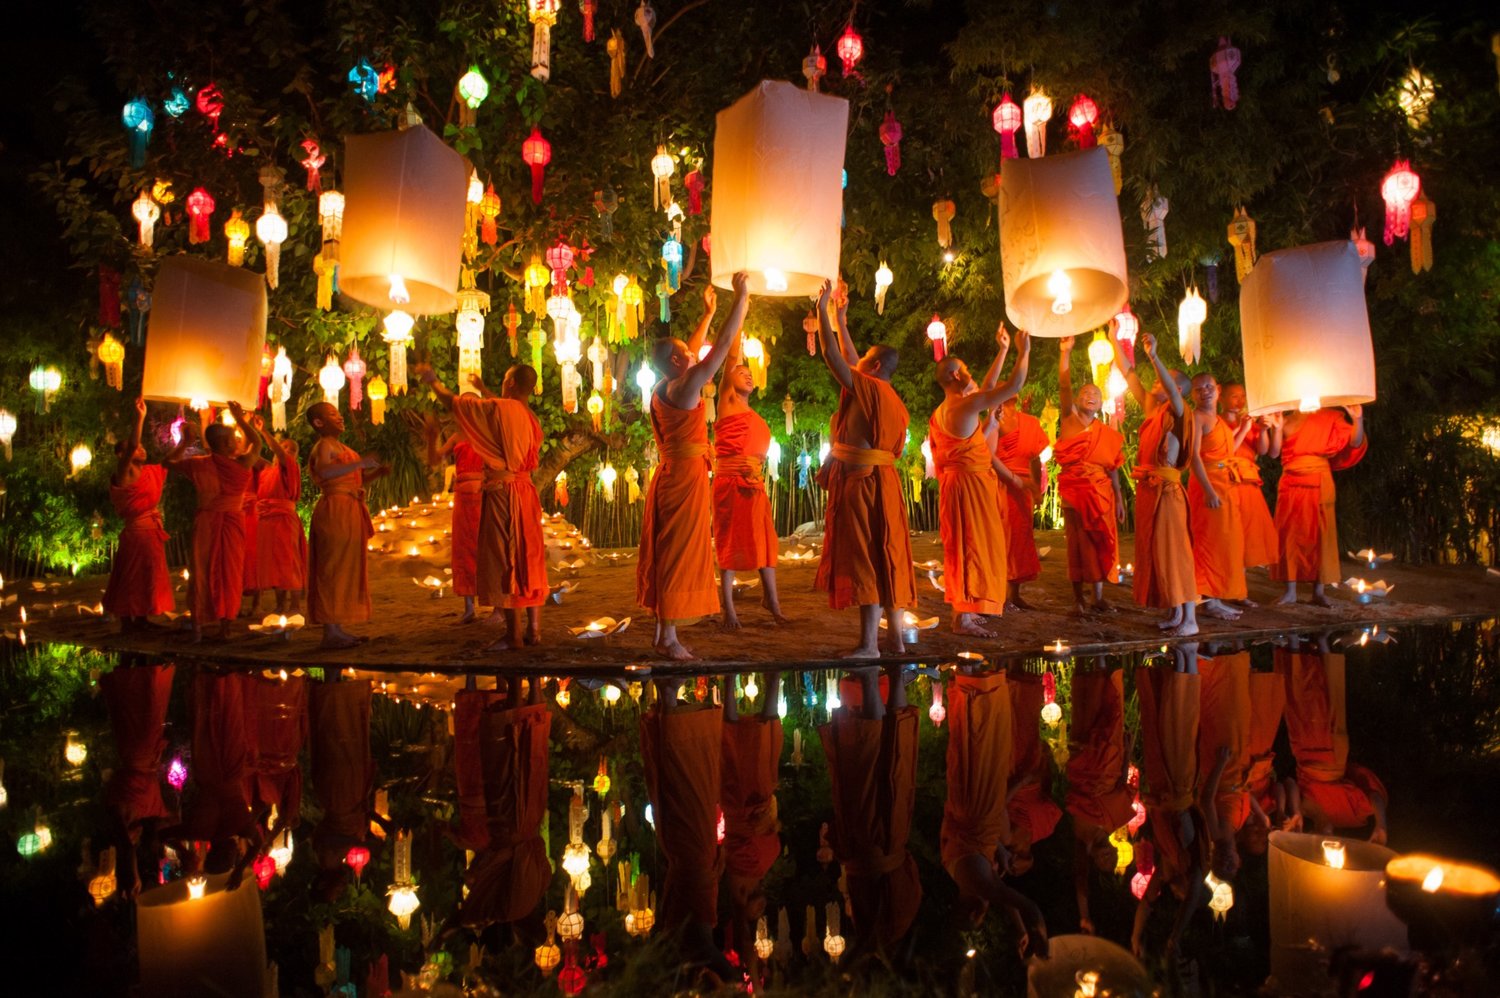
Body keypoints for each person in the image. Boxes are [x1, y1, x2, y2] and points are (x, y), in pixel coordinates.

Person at [637, 273, 752, 660]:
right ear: (675, 361)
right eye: (686, 352)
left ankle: (661, 631)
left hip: (675, 475)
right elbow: (718, 350)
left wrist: (707, 312)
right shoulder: (683, 388)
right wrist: (741, 297)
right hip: (682, 478)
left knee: (672, 547)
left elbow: (699, 346)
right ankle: (669, 637)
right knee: (677, 552)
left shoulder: (664, 386)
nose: (693, 353)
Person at [813, 279, 917, 657]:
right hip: (884, 484)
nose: (856, 363)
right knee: (886, 550)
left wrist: (822, 308)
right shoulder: (889, 396)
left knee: (866, 556)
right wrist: (842, 319)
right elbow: (851, 359)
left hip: (862, 484)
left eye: (863, 360)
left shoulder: (867, 388)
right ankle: (896, 639)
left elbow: (832, 356)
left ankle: (869, 644)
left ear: (872, 366)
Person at [420, 365, 549, 651]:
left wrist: (433, 381)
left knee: (507, 558)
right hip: (526, 493)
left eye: (503, 379)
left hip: (503, 492)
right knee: (529, 556)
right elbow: (501, 412)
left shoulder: (499, 410)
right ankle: (534, 630)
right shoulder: (530, 418)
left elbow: (454, 403)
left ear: (511, 382)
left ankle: (513, 634)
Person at [941, 663, 1048, 958]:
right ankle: (977, 679)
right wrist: (1023, 932)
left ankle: (974, 679)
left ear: (975, 911)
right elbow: (1005, 898)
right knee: (980, 746)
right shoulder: (965, 875)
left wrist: (1041, 938)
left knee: (978, 745)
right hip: (976, 806)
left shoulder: (975, 880)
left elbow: (1025, 904)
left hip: (976, 803)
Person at [930, 330, 1032, 635]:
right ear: (954, 375)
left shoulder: (951, 408)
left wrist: (1002, 351)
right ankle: (963, 616)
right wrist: (1023, 351)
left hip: (965, 484)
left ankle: (968, 610)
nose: (970, 374)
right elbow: (1012, 385)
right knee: (969, 547)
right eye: (965, 370)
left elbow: (985, 389)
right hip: (967, 487)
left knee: (973, 546)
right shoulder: (960, 407)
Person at [820, 666, 922, 956]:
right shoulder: (888, 925)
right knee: (869, 751)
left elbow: (909, 875)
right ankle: (870, 675)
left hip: (891, 837)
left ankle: (895, 673)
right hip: (869, 839)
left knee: (894, 753)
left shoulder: (897, 922)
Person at [705, 285, 789, 629]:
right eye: (742, 372)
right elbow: (732, 352)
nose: (748, 373)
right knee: (728, 545)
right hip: (729, 483)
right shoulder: (727, 401)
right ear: (729, 380)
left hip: (754, 483)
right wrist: (741, 302)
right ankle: (729, 611)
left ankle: (771, 599)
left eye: (750, 373)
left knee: (764, 541)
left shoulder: (751, 411)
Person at [640, 675, 730, 973]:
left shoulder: (691, 933)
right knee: (682, 779)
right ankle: (667, 695)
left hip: (692, 854)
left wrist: (732, 982)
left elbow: (705, 947)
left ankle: (668, 694)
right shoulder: (683, 932)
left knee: (682, 779)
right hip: (692, 851)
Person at [1113, 329, 1199, 635]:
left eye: (1162, 377)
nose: (1154, 380)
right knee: (1161, 553)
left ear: (1174, 387)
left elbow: (1174, 393)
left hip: (1169, 491)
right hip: (1150, 489)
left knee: (1176, 552)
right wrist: (1113, 337)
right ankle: (1176, 612)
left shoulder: (1179, 411)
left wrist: (1154, 354)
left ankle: (1190, 619)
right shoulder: (1154, 409)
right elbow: (1130, 376)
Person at [457, 678, 553, 932]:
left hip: (531, 819)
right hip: (510, 825)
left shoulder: (541, 889)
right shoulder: (510, 910)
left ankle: (532, 684)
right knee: (507, 755)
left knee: (531, 752)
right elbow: (510, 858)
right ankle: (513, 684)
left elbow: (541, 855)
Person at [167, 402, 261, 641]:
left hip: (207, 523)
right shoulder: (240, 464)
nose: (238, 441)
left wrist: (185, 443)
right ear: (226, 443)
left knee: (203, 570)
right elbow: (258, 444)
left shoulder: (199, 464)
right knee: (228, 572)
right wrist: (240, 419)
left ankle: (199, 627)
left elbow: (167, 464)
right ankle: (224, 628)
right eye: (234, 438)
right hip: (229, 522)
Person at [1280, 639, 1389, 842]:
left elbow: (1288, 781)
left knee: (1298, 699)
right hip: (1332, 757)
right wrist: (1381, 825)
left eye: (1317, 838)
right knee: (1330, 700)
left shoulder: (1304, 810)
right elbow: (1375, 797)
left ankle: (1294, 643)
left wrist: (1295, 811)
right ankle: (1321, 643)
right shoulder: (1350, 818)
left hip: (1304, 752)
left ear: (1311, 835)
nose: (1323, 836)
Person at [305, 402, 386, 650]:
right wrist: (360, 464)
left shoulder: (340, 447)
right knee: (332, 568)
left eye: (338, 413)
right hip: (335, 510)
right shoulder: (324, 446)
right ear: (319, 423)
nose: (340, 417)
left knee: (346, 568)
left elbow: (351, 481)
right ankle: (330, 631)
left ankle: (337, 628)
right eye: (332, 414)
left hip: (349, 507)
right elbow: (326, 472)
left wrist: (375, 474)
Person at [1053, 338, 1125, 615]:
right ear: (1077, 400)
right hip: (1075, 492)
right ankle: (1078, 598)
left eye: (1095, 393)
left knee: (1099, 542)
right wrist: (1065, 353)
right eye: (1085, 392)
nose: (1090, 395)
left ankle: (1098, 597)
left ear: (1101, 402)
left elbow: (1113, 467)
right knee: (1077, 544)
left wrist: (1118, 498)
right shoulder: (1069, 421)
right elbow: (1063, 384)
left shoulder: (1106, 433)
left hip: (1102, 493)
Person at [1269, 406, 1367, 606]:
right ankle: (1290, 591)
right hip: (1291, 482)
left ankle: (1319, 591)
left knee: (1321, 535)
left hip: (1320, 481)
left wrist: (1358, 419)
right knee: (1289, 535)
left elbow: (1355, 441)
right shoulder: (1284, 420)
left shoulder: (1329, 416)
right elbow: (1274, 452)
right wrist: (1276, 429)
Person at [982, 327, 1050, 611]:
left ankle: (1014, 592)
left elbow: (1037, 459)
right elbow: (988, 455)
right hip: (998, 484)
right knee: (998, 537)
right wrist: (1005, 350)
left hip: (1023, 488)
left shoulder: (1030, 422)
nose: (1007, 400)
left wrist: (1038, 488)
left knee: (1021, 538)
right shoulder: (993, 416)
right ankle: (996, 591)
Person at [104, 398, 185, 630]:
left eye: (141, 446)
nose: (141, 448)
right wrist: (140, 417)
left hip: (151, 531)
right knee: (131, 577)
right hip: (137, 532)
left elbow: (170, 462)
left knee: (148, 576)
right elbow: (131, 446)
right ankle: (127, 620)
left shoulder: (150, 471)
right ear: (122, 455)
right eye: (136, 447)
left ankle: (142, 617)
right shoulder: (125, 471)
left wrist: (186, 442)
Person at [1066, 662, 1135, 936]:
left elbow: (1081, 884)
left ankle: (1089, 658)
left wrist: (1085, 917)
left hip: (1085, 761)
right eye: (1112, 856)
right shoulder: (1112, 823)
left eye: (1103, 859)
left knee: (1088, 706)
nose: (1108, 854)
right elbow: (1121, 784)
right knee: (1110, 710)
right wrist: (1128, 752)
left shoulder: (1082, 838)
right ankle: (1106, 662)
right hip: (1109, 759)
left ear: (1093, 860)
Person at [720, 672, 783, 953]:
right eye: (763, 912)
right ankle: (773, 680)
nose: (762, 909)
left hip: (742, 805)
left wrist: (761, 830)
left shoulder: (740, 881)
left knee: (733, 744)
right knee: (767, 739)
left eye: (755, 913)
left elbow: (739, 847)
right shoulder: (757, 876)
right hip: (758, 803)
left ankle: (730, 681)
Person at [1188, 373, 1248, 618]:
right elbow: (1193, 456)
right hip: (1208, 484)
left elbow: (1228, 450)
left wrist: (1244, 428)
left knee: (1225, 541)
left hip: (1225, 480)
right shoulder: (1197, 417)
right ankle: (1205, 597)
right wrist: (1208, 490)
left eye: (1209, 386)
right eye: (1199, 389)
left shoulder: (1219, 420)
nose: (1205, 392)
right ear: (1192, 395)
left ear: (1218, 388)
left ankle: (1216, 595)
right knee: (1208, 542)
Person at [1006, 671, 1064, 875]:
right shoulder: (1045, 829)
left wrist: (1022, 782)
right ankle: (1022, 678)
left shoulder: (1007, 837)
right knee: (1027, 725)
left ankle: (1009, 677)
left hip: (1015, 777)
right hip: (1033, 776)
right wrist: (1045, 763)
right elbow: (1047, 793)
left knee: (1013, 727)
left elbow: (1000, 803)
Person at [1220, 385, 1280, 577]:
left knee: (1246, 534)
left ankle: (1240, 587)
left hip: (1247, 481)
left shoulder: (1250, 423)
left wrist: (1263, 430)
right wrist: (1243, 428)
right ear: (1221, 397)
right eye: (1234, 396)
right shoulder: (1216, 422)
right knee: (1228, 534)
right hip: (1226, 480)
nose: (1240, 401)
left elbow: (1264, 451)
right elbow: (1223, 451)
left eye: (1243, 396)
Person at [429, 425, 485, 624]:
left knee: (486, 548)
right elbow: (435, 460)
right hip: (462, 495)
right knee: (464, 549)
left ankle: (498, 607)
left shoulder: (485, 433)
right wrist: (431, 436)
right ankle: (469, 608)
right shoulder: (456, 436)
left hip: (483, 493)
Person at [254, 429, 307, 617]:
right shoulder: (267, 471)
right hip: (267, 520)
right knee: (274, 563)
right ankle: (279, 604)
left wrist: (263, 431)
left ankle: (294, 605)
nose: (287, 451)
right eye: (284, 447)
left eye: (291, 449)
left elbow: (278, 453)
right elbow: (250, 454)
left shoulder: (290, 466)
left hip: (284, 519)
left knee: (289, 560)